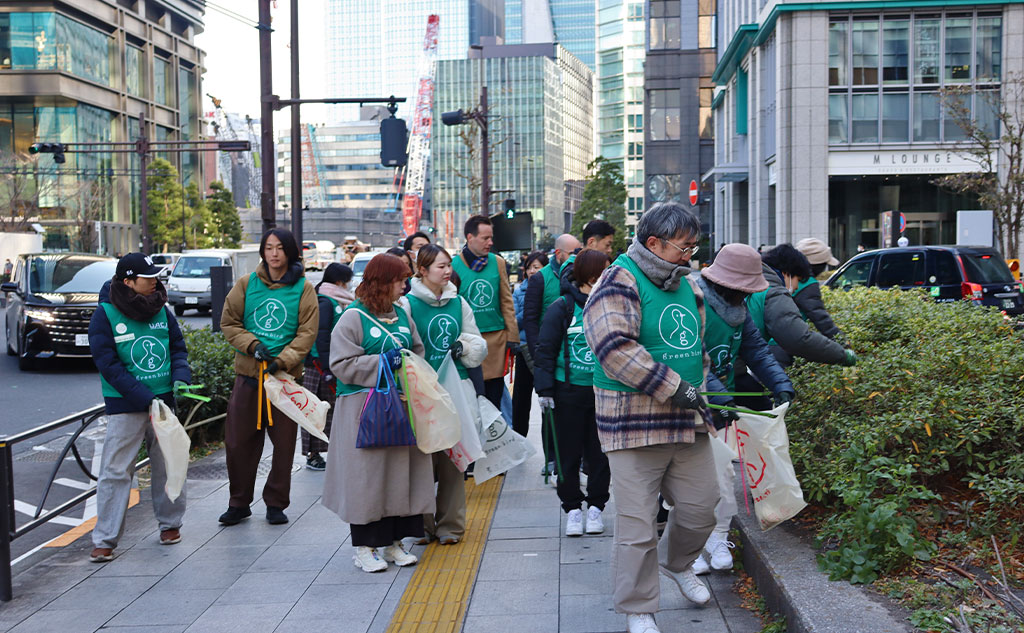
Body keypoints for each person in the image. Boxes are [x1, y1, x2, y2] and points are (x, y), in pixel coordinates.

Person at [583, 202, 717, 633]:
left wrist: (707, 388)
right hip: (633, 425)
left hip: (688, 420)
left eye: (694, 247)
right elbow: (614, 349)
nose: (690, 255)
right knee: (638, 525)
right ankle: (638, 607)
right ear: (654, 243)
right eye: (684, 247)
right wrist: (674, 386)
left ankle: (676, 563)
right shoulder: (617, 280)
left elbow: (696, 347)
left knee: (702, 508)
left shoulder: (688, 284)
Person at [321, 254, 433, 572]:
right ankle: (365, 548)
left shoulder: (401, 314)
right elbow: (341, 364)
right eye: (399, 281)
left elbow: (418, 350)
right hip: (363, 411)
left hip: (401, 407)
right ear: (382, 283)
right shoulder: (352, 318)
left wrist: (409, 365)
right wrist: (383, 362)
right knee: (367, 479)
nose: (404, 287)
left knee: (400, 476)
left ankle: (394, 543)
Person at [691, 244, 795, 575]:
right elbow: (694, 357)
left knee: (723, 475)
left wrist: (780, 383)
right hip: (690, 403)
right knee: (689, 482)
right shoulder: (693, 302)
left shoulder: (740, 310)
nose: (747, 295)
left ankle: (718, 538)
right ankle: (690, 548)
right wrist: (720, 396)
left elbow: (757, 351)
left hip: (720, 407)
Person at [87, 253, 191, 562]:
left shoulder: (162, 309)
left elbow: (178, 348)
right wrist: (143, 396)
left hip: (164, 403)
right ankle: (105, 539)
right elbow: (107, 364)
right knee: (116, 471)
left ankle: (171, 525)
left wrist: (180, 377)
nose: (155, 281)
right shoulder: (105, 314)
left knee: (168, 464)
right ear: (128, 282)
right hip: (126, 405)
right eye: (148, 278)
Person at [219, 228, 318, 526]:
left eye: (280, 248)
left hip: (284, 382)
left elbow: (307, 333)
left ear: (290, 252)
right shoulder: (246, 283)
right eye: (269, 247)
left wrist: (283, 360)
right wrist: (252, 345)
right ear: (262, 251)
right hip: (248, 378)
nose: (274, 253)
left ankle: (276, 503)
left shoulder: (303, 288)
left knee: (284, 446)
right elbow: (229, 322)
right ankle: (239, 503)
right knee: (238, 443)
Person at [398, 245, 487, 545]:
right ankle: (422, 526)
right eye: (440, 266)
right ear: (422, 270)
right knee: (422, 462)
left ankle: (451, 525)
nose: (448, 271)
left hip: (455, 389)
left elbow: (476, 341)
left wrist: (465, 347)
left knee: (453, 461)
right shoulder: (407, 304)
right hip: (420, 392)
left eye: (449, 265)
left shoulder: (459, 302)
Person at [534, 248, 612, 538]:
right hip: (567, 393)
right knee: (567, 455)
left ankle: (596, 508)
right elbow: (545, 350)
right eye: (606, 271)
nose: (611, 276)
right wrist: (544, 389)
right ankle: (572, 509)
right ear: (591, 276)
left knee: (601, 455)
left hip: (604, 393)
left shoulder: (610, 305)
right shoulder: (562, 307)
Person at [746, 243, 855, 369]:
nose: (797, 286)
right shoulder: (775, 292)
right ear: (787, 273)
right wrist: (843, 352)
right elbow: (802, 335)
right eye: (798, 280)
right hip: (781, 343)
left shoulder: (756, 283)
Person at [450, 215, 519, 408]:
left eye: (491, 238)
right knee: (471, 400)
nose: (490, 242)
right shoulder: (453, 266)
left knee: (494, 400)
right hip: (467, 342)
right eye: (485, 238)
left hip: (495, 341)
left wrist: (512, 336)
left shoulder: (497, 262)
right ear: (470, 237)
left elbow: (506, 301)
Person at [301, 263, 354, 471]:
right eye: (348, 282)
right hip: (320, 367)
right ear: (339, 282)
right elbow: (320, 337)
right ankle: (313, 455)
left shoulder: (335, 301)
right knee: (315, 411)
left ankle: (331, 451)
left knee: (330, 412)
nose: (350, 285)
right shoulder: (325, 302)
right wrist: (326, 368)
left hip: (329, 365)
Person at [511, 251, 548, 437]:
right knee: (521, 400)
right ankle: (519, 439)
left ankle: (550, 446)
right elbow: (514, 322)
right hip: (525, 350)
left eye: (537, 267)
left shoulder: (550, 290)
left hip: (546, 350)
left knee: (547, 399)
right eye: (529, 268)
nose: (532, 271)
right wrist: (530, 309)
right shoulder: (519, 292)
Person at [793, 238, 843, 339]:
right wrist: (841, 340)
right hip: (784, 341)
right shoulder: (807, 283)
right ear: (819, 265)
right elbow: (820, 318)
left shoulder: (786, 275)